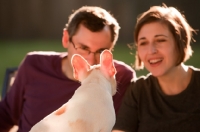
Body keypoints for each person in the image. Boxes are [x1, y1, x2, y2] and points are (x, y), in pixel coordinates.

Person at [0, 6, 136, 131]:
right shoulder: (34, 65)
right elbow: (5, 116)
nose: (91, 60)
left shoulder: (122, 77)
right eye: (83, 48)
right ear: (66, 38)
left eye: (101, 51)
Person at [113, 4, 200, 132]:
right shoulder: (138, 91)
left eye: (160, 40)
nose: (151, 50)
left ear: (180, 42)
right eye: (143, 43)